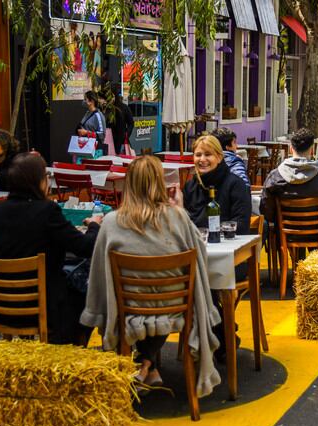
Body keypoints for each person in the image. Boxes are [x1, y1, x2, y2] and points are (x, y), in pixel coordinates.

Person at [81, 156, 221, 395]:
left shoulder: (111, 222)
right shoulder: (177, 218)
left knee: (145, 299)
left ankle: (144, 365)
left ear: (129, 184)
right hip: (173, 307)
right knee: (159, 300)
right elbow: (201, 251)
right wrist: (179, 207)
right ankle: (148, 366)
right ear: (159, 182)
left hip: (128, 309)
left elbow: (98, 272)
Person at [0, 153, 101, 345]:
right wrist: (94, 226)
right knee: (89, 287)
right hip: (44, 307)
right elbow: (84, 247)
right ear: (38, 181)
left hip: (2, 305)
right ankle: (73, 345)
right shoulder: (47, 211)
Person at [181, 135, 251, 361]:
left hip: (232, 259)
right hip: (199, 258)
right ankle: (223, 333)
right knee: (190, 279)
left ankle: (216, 336)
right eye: (198, 154)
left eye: (208, 154)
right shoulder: (191, 186)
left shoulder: (235, 184)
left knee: (198, 281)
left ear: (220, 157)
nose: (202, 159)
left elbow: (242, 224)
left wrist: (211, 231)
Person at [260, 128, 318, 247]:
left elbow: (266, 211)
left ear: (291, 148)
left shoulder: (275, 176)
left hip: (287, 234)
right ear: (311, 150)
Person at [107, 83, 134, 154]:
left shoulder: (124, 108)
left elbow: (131, 123)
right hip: (107, 140)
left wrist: (126, 134)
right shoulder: (106, 108)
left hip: (120, 140)